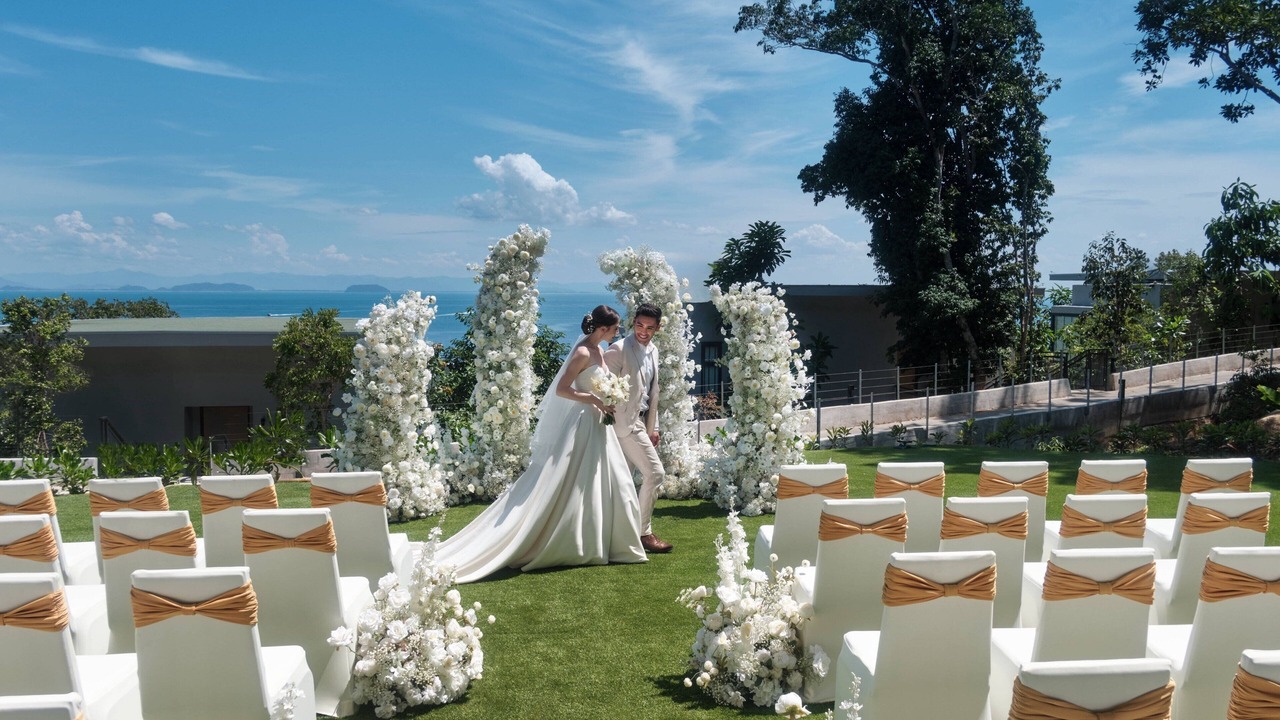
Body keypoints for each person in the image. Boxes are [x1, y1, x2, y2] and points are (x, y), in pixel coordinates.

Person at [436, 305, 647, 583]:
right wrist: (594, 400)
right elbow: (563, 389)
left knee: (608, 480)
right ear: (603, 328)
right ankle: (570, 540)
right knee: (572, 479)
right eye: (616, 327)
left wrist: (609, 397)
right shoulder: (583, 351)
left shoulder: (600, 351)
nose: (619, 331)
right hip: (583, 421)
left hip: (599, 422)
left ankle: (607, 540)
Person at [603, 302, 672, 554]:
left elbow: (653, 391)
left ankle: (617, 535)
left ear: (658, 328)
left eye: (650, 327)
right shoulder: (618, 349)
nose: (643, 331)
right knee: (655, 474)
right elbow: (602, 389)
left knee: (623, 482)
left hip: (643, 423)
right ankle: (644, 533)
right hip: (624, 425)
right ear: (634, 322)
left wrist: (654, 427)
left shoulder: (654, 351)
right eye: (639, 325)